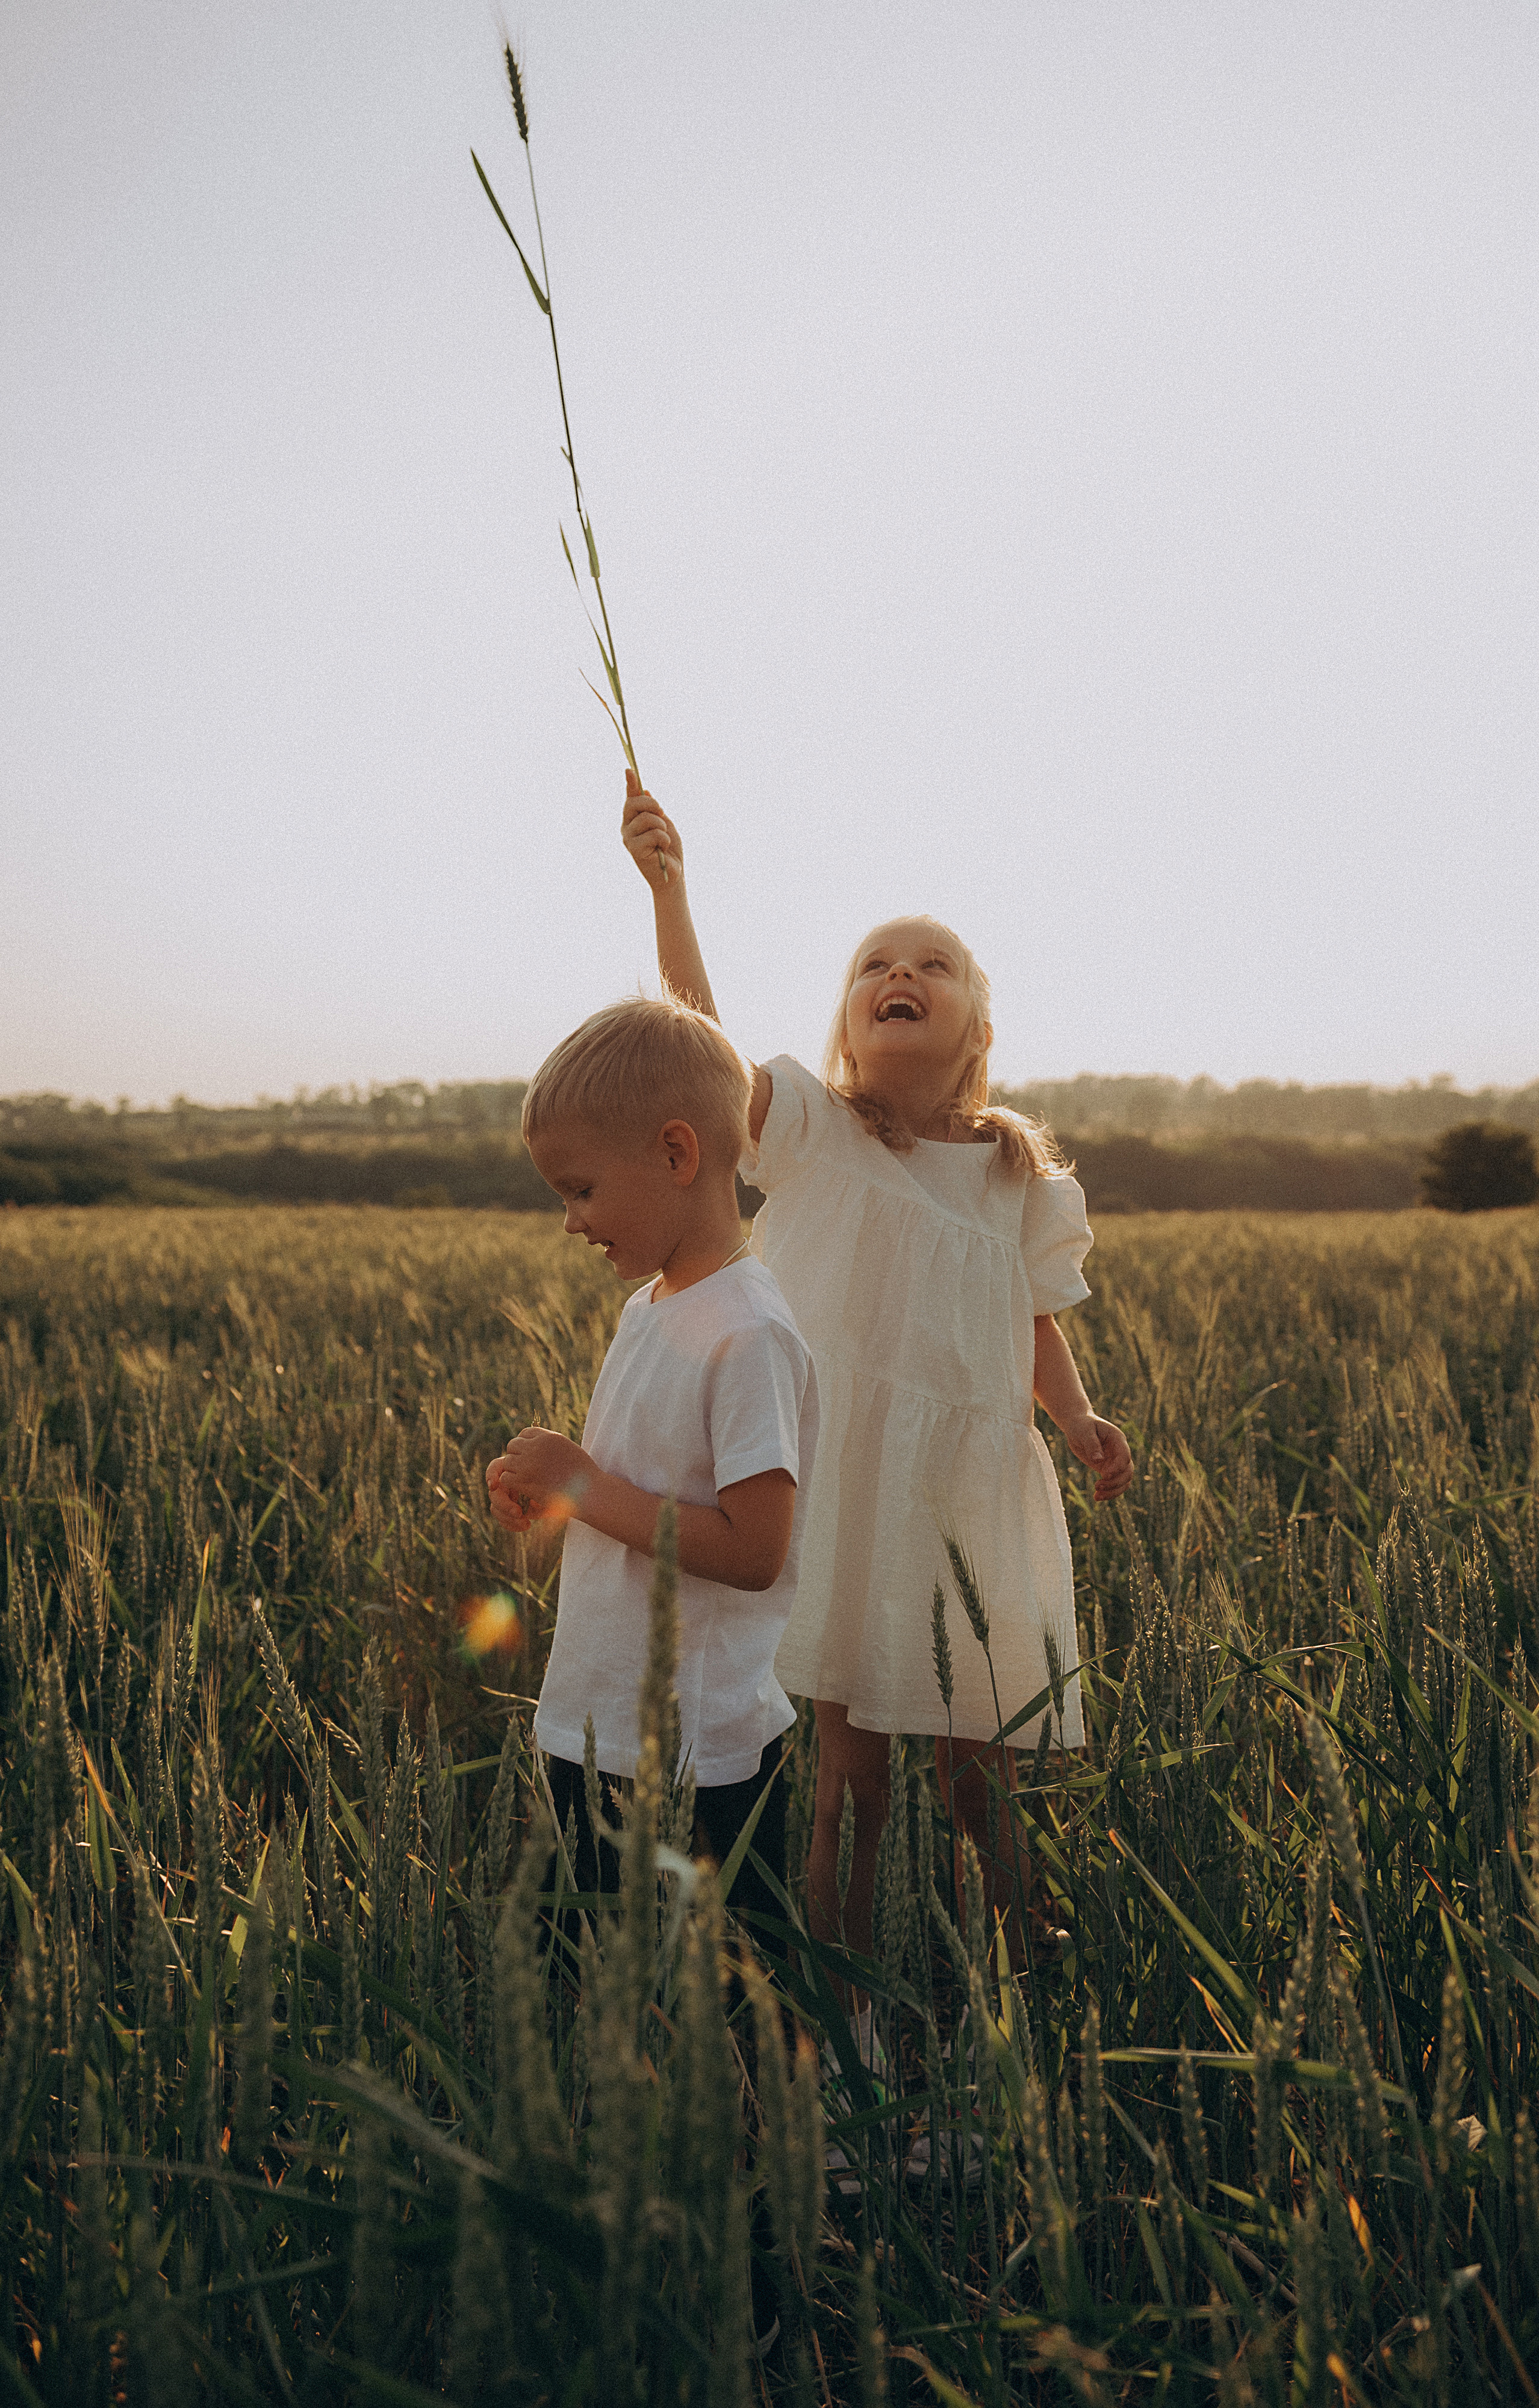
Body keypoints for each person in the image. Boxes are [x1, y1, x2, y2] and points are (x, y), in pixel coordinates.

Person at [620, 773, 1133, 1988]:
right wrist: (671, 890)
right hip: (851, 1479)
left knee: (980, 1769)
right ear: (848, 1028)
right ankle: (844, 1999)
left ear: (979, 1029)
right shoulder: (816, 1130)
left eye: (932, 965)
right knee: (850, 1774)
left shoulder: (1021, 1179)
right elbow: (702, 1045)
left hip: (965, 1488)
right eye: (874, 967)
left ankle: (1022, 1968)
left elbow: (1030, 1319)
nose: (901, 972)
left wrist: (1075, 1415)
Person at [485, 995, 819, 1948]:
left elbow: (754, 1551)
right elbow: (645, 1487)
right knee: (588, 1975)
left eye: (581, 1190)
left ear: (677, 1153)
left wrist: (584, 1486)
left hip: (695, 1752)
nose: (569, 1221)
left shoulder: (750, 1333)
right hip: (599, 1711)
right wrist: (554, 1493)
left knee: (720, 1994)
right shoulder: (651, 1308)